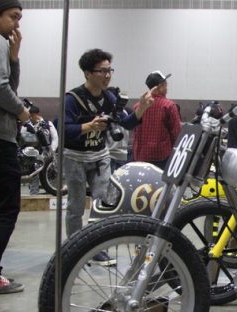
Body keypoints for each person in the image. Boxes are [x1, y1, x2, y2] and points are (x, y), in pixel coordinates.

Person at [64, 48, 153, 264]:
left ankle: (95, 248)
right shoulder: (72, 99)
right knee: (76, 206)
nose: (107, 75)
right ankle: (75, 248)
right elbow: (64, 128)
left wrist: (142, 108)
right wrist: (88, 126)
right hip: (75, 157)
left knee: (102, 203)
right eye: (102, 71)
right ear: (88, 73)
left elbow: (126, 123)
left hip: (100, 156)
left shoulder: (109, 98)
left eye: (109, 70)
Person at [0, 0, 28, 294]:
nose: (17, 24)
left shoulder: (2, 45)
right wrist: (21, 111)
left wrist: (14, 58)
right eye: (13, 17)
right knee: (5, 208)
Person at [132, 71, 181, 169]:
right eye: (165, 84)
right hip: (162, 156)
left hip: (141, 155)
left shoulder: (138, 106)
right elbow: (176, 133)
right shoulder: (169, 106)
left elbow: (135, 132)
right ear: (159, 86)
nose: (167, 87)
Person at [20, 104, 58, 194]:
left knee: (49, 173)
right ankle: (34, 193)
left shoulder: (47, 123)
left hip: (47, 153)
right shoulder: (27, 126)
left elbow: (55, 138)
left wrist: (52, 151)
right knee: (35, 172)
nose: (31, 118)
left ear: (38, 114)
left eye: (32, 116)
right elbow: (22, 137)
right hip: (34, 153)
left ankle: (50, 192)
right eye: (29, 116)